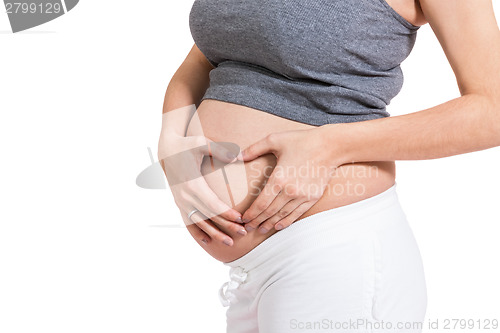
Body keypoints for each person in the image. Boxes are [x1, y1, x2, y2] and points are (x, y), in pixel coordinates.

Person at [158, 0, 500, 332]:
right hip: (249, 273)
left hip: (335, 257)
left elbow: (493, 111)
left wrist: (330, 145)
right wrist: (172, 140)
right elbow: (209, 54)